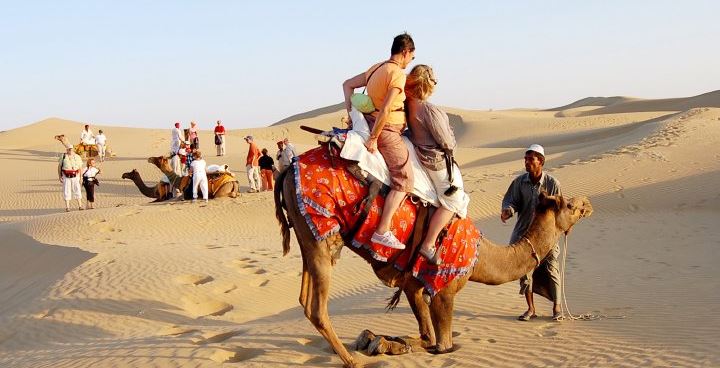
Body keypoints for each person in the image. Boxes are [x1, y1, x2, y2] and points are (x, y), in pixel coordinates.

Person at [342, 33, 416, 250]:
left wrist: (350, 113)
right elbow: (385, 109)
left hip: (367, 120)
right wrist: (373, 138)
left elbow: (347, 85)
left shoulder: (376, 68)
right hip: (386, 131)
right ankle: (382, 230)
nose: (411, 60)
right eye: (412, 55)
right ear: (405, 52)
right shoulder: (397, 74)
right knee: (405, 179)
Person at [405, 65, 470, 265]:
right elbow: (447, 143)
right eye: (433, 80)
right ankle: (429, 244)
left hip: (422, 155)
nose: (435, 84)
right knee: (455, 201)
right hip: (436, 162)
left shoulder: (410, 105)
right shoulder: (428, 110)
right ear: (426, 83)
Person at [501, 144, 564, 322]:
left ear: (540, 162)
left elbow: (561, 209)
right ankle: (531, 308)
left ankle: (557, 307)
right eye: (526, 159)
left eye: (531, 159)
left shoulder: (552, 184)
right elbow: (511, 202)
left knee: (552, 268)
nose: (527, 162)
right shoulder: (519, 182)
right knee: (525, 271)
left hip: (547, 236)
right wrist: (508, 210)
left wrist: (566, 227)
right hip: (525, 234)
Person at [58, 146, 84, 212]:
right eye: (68, 149)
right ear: (66, 149)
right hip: (66, 176)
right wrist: (59, 176)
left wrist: (81, 177)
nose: (70, 150)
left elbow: (80, 167)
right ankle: (67, 207)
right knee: (66, 191)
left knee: (77, 189)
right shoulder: (63, 156)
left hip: (76, 176)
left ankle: (80, 206)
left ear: (73, 149)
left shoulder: (77, 157)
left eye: (71, 149)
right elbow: (59, 167)